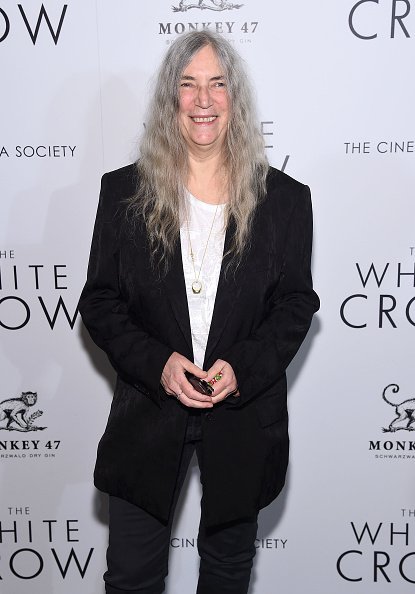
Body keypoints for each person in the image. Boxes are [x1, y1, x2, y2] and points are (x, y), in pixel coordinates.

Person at [79, 30, 319, 594]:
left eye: (216, 84)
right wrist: (159, 363)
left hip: (242, 417)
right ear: (170, 101)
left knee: (227, 576)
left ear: (235, 98)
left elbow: (295, 304)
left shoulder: (285, 200)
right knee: (132, 578)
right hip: (148, 415)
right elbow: (100, 300)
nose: (203, 100)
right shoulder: (124, 194)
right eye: (187, 86)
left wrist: (244, 367)